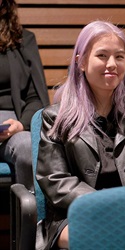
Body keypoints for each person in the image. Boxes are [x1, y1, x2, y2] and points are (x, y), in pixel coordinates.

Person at [36, 20, 125, 249]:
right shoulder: (55, 117)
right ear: (80, 62)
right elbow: (56, 181)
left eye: (119, 57)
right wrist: (107, 206)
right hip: (74, 215)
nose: (112, 64)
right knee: (107, 238)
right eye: (102, 55)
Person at [0, 0, 49, 192]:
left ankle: (31, 219)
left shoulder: (23, 40)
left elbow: (35, 97)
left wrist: (21, 124)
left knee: (28, 145)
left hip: (12, 128)